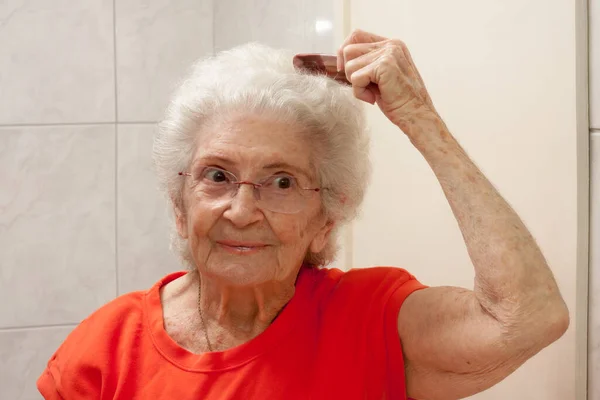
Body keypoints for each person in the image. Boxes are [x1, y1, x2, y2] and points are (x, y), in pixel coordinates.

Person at [37, 29, 569, 400]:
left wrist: (418, 119)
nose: (242, 210)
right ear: (180, 207)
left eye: (282, 182)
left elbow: (528, 318)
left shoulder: (372, 323)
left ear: (327, 219)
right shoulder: (105, 349)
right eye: (217, 175)